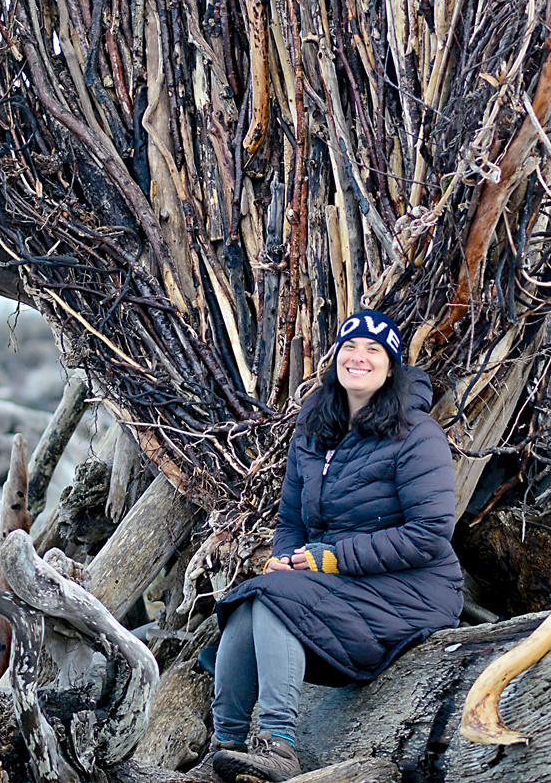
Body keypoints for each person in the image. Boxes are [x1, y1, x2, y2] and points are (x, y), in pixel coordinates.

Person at [192, 309, 463, 783]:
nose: (359, 357)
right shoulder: (314, 431)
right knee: (249, 598)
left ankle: (279, 746)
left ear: (391, 366)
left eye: (373, 350)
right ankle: (225, 748)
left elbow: (429, 533)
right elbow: (291, 518)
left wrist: (332, 559)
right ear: (336, 356)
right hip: (338, 585)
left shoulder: (417, 434)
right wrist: (285, 556)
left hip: (412, 590)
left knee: (275, 601)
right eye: (350, 347)